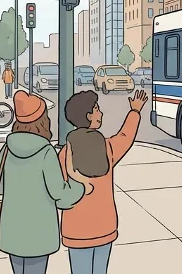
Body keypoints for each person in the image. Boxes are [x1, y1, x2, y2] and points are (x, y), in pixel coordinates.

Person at [0, 90, 89, 274]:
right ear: (43, 121)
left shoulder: (7, 149)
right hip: (39, 234)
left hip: (12, 230)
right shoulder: (46, 152)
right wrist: (80, 187)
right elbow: (59, 194)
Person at [59, 89, 147, 274]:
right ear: (89, 115)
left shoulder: (65, 154)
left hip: (76, 229)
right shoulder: (107, 147)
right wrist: (135, 111)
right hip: (104, 226)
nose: (101, 113)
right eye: (97, 109)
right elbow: (125, 137)